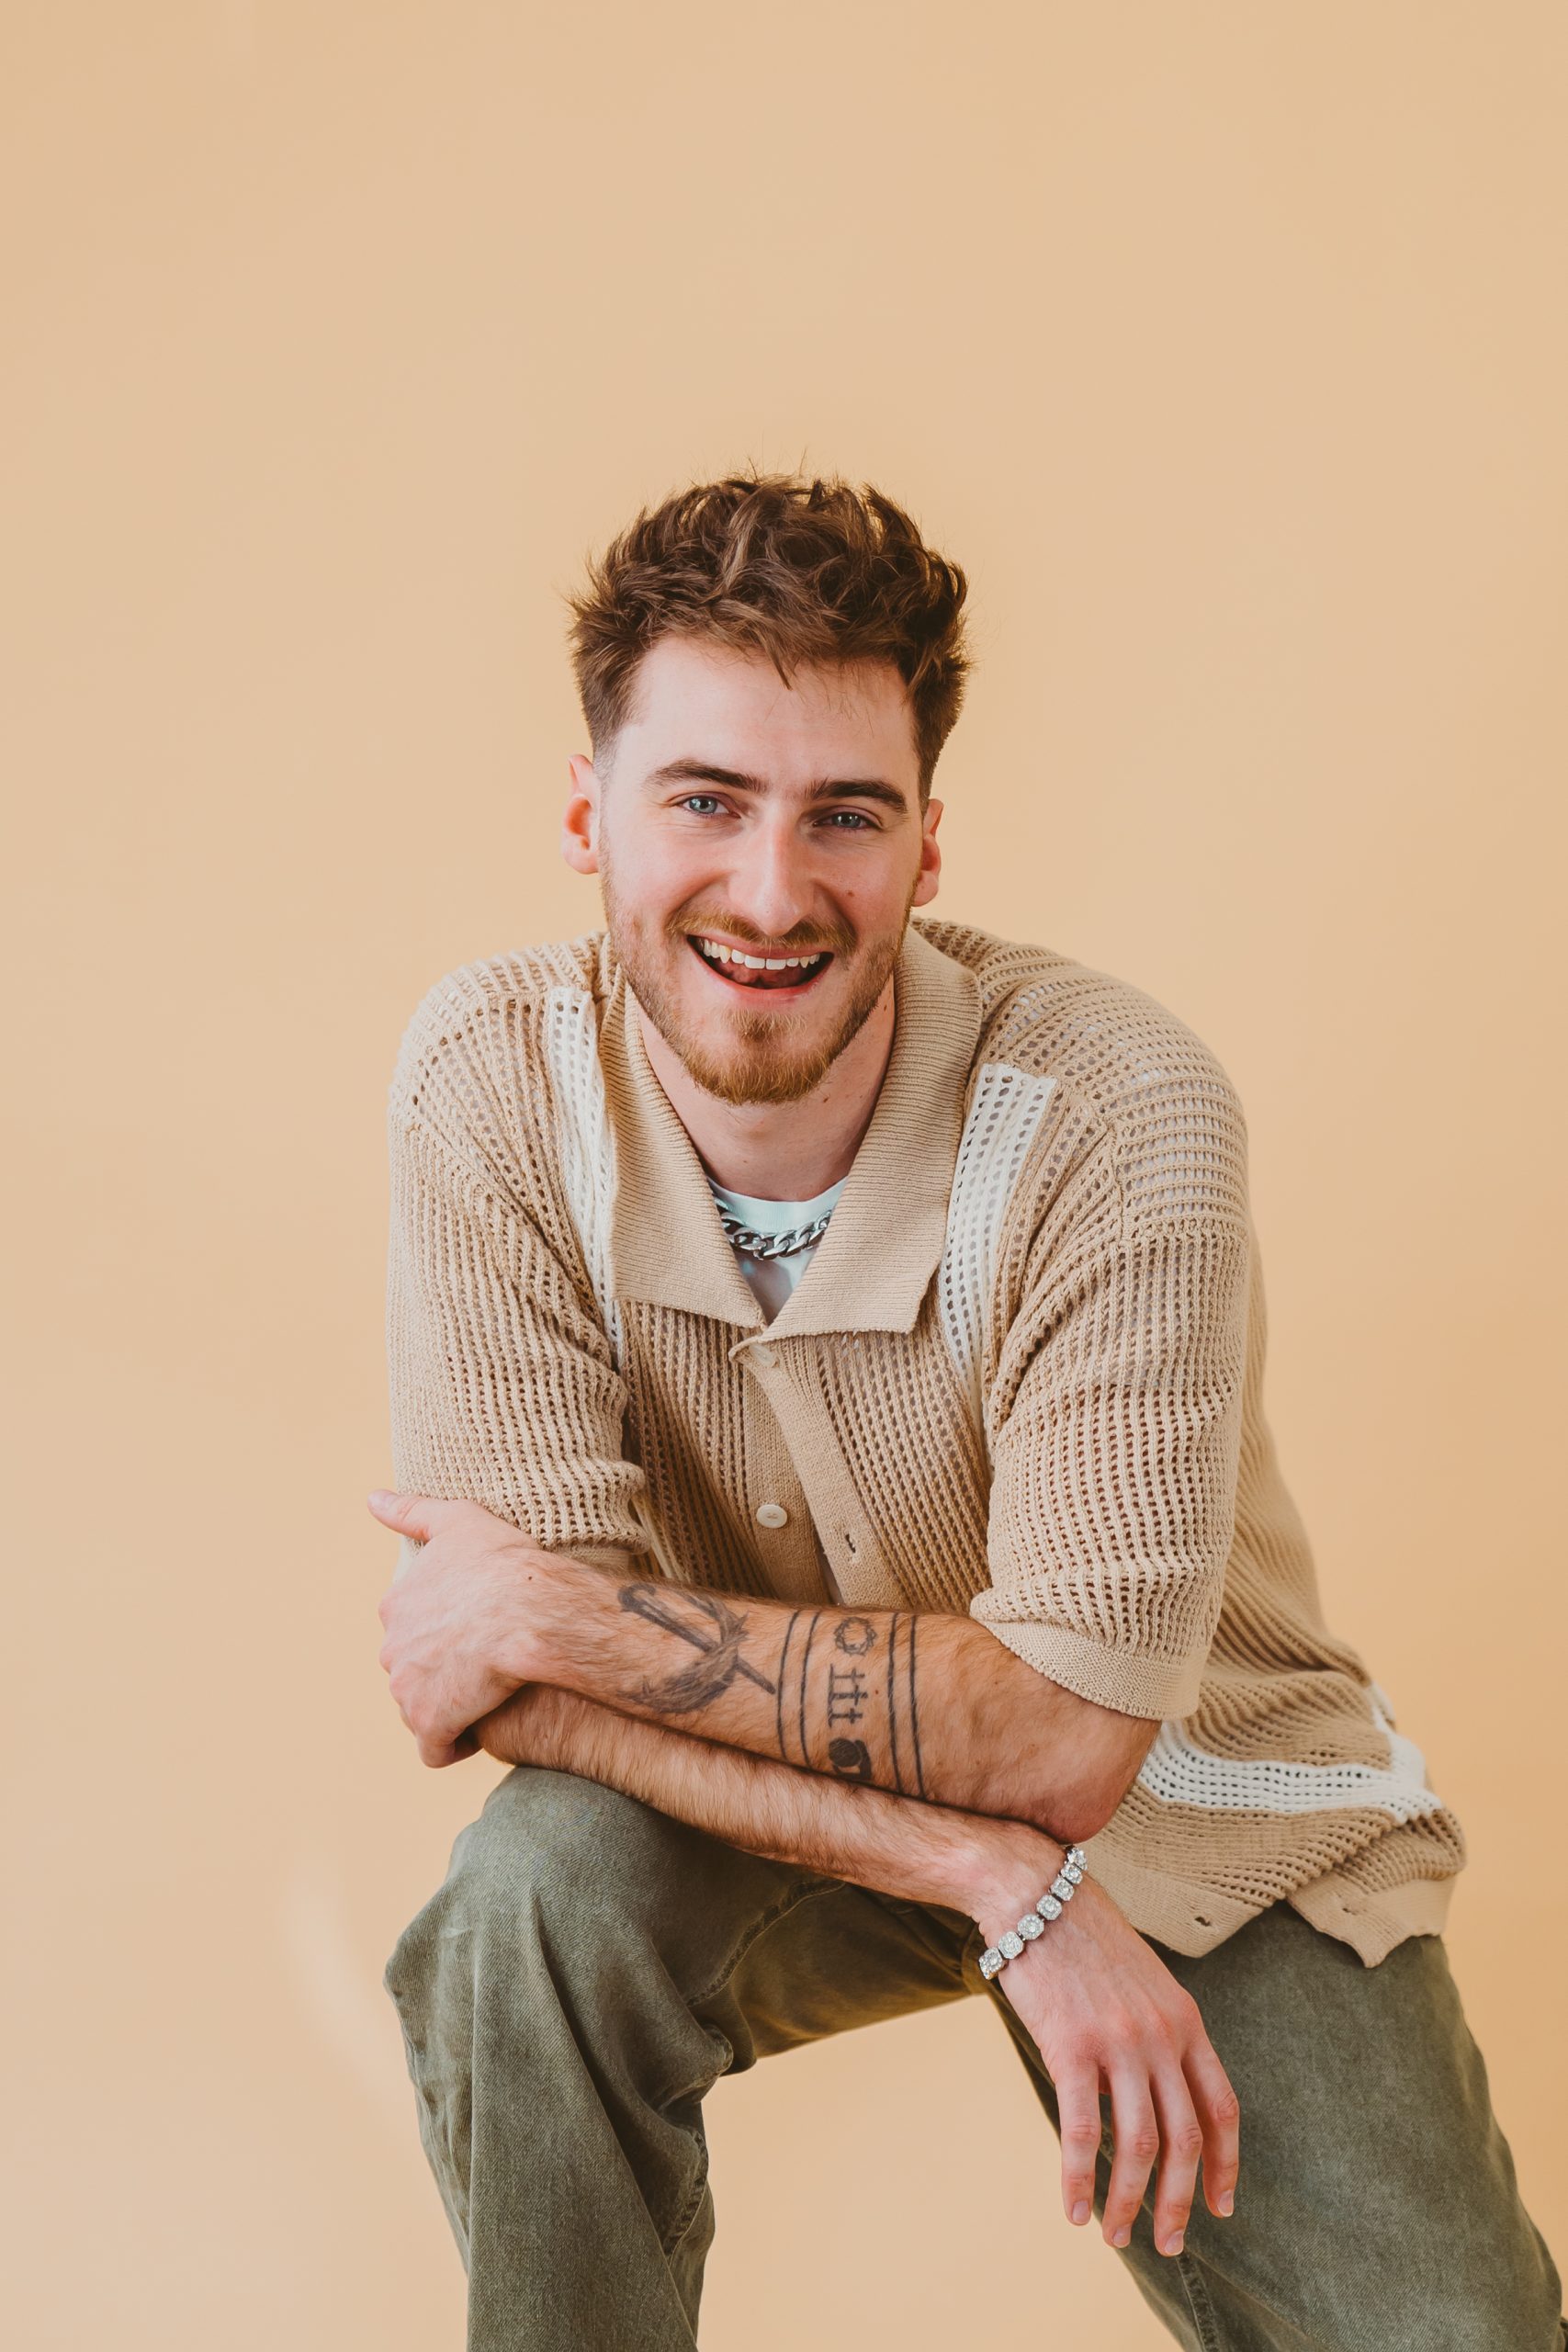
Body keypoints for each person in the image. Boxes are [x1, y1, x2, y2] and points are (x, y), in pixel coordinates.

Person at [368, 469, 1563, 2351]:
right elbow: (506, 1685)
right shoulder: (491, 1082)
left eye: (843, 814)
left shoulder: (1116, 1111)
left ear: (927, 846)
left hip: (1193, 1804)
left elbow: (1070, 1741)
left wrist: (577, 1627)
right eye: (704, 800)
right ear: (589, 812)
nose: (773, 891)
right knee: (530, 1900)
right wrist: (986, 1872)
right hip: (764, 1798)